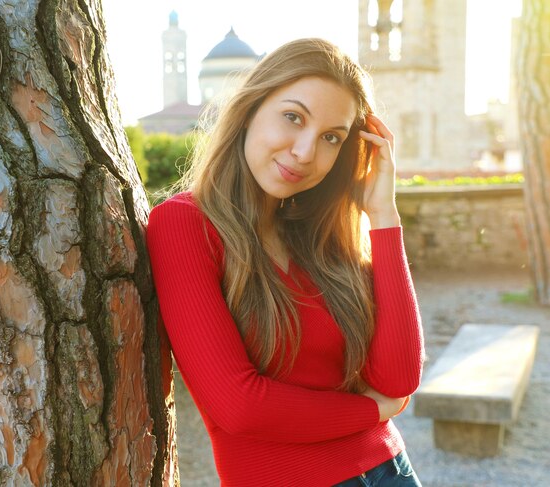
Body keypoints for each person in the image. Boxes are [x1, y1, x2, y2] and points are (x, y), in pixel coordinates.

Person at [147, 38, 425, 487]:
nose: (304, 152)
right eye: (293, 117)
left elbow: (397, 376)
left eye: (331, 137)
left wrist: (383, 216)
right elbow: (239, 406)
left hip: (391, 470)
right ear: (250, 110)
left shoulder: (317, 233)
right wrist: (372, 411)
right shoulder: (184, 225)